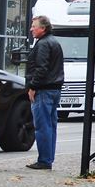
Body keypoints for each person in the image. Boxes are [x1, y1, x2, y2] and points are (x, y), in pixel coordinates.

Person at [24, 15, 64, 170]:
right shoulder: (54, 42)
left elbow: (41, 69)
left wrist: (33, 87)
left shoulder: (43, 44)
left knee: (42, 126)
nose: (31, 29)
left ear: (43, 28)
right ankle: (48, 157)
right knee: (51, 125)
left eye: (34, 26)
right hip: (54, 89)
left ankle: (44, 160)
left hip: (43, 90)